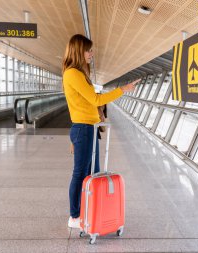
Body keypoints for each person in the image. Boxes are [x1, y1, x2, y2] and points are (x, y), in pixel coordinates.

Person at [62, 34, 140, 228]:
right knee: (80, 174)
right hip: (83, 129)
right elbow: (96, 100)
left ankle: (89, 211)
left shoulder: (79, 74)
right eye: (89, 50)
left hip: (88, 128)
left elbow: (90, 99)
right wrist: (123, 89)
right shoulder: (73, 73)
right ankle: (74, 216)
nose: (91, 54)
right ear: (79, 51)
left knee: (93, 173)